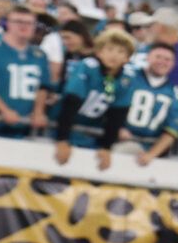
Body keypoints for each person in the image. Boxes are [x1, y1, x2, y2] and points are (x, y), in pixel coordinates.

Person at [53, 28, 137, 171]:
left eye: (121, 52)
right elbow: (71, 103)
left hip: (90, 132)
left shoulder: (127, 78)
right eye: (109, 49)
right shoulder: (87, 67)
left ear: (127, 58)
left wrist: (106, 147)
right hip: (62, 126)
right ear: (99, 52)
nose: (114, 55)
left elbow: (117, 114)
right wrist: (62, 140)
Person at [0, 7, 52, 138]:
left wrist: (38, 111)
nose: (24, 26)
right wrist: (4, 110)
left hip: (23, 128)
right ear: (7, 23)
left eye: (29, 23)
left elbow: (43, 86)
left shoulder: (40, 55)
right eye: (18, 21)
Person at [120, 41, 178, 165]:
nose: (162, 62)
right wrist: (116, 127)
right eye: (158, 57)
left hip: (147, 147)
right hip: (115, 138)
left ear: (173, 64)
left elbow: (172, 129)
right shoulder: (128, 76)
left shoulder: (174, 92)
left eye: (167, 59)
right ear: (148, 57)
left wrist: (152, 154)